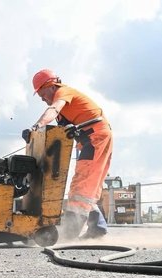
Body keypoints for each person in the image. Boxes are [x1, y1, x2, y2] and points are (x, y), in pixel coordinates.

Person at [29, 69, 113, 240]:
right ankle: (97, 228)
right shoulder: (64, 110)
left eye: (43, 94)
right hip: (93, 140)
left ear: (51, 86)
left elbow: (53, 109)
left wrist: (36, 126)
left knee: (81, 185)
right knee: (88, 187)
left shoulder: (63, 93)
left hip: (95, 138)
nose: (43, 99)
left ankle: (69, 233)